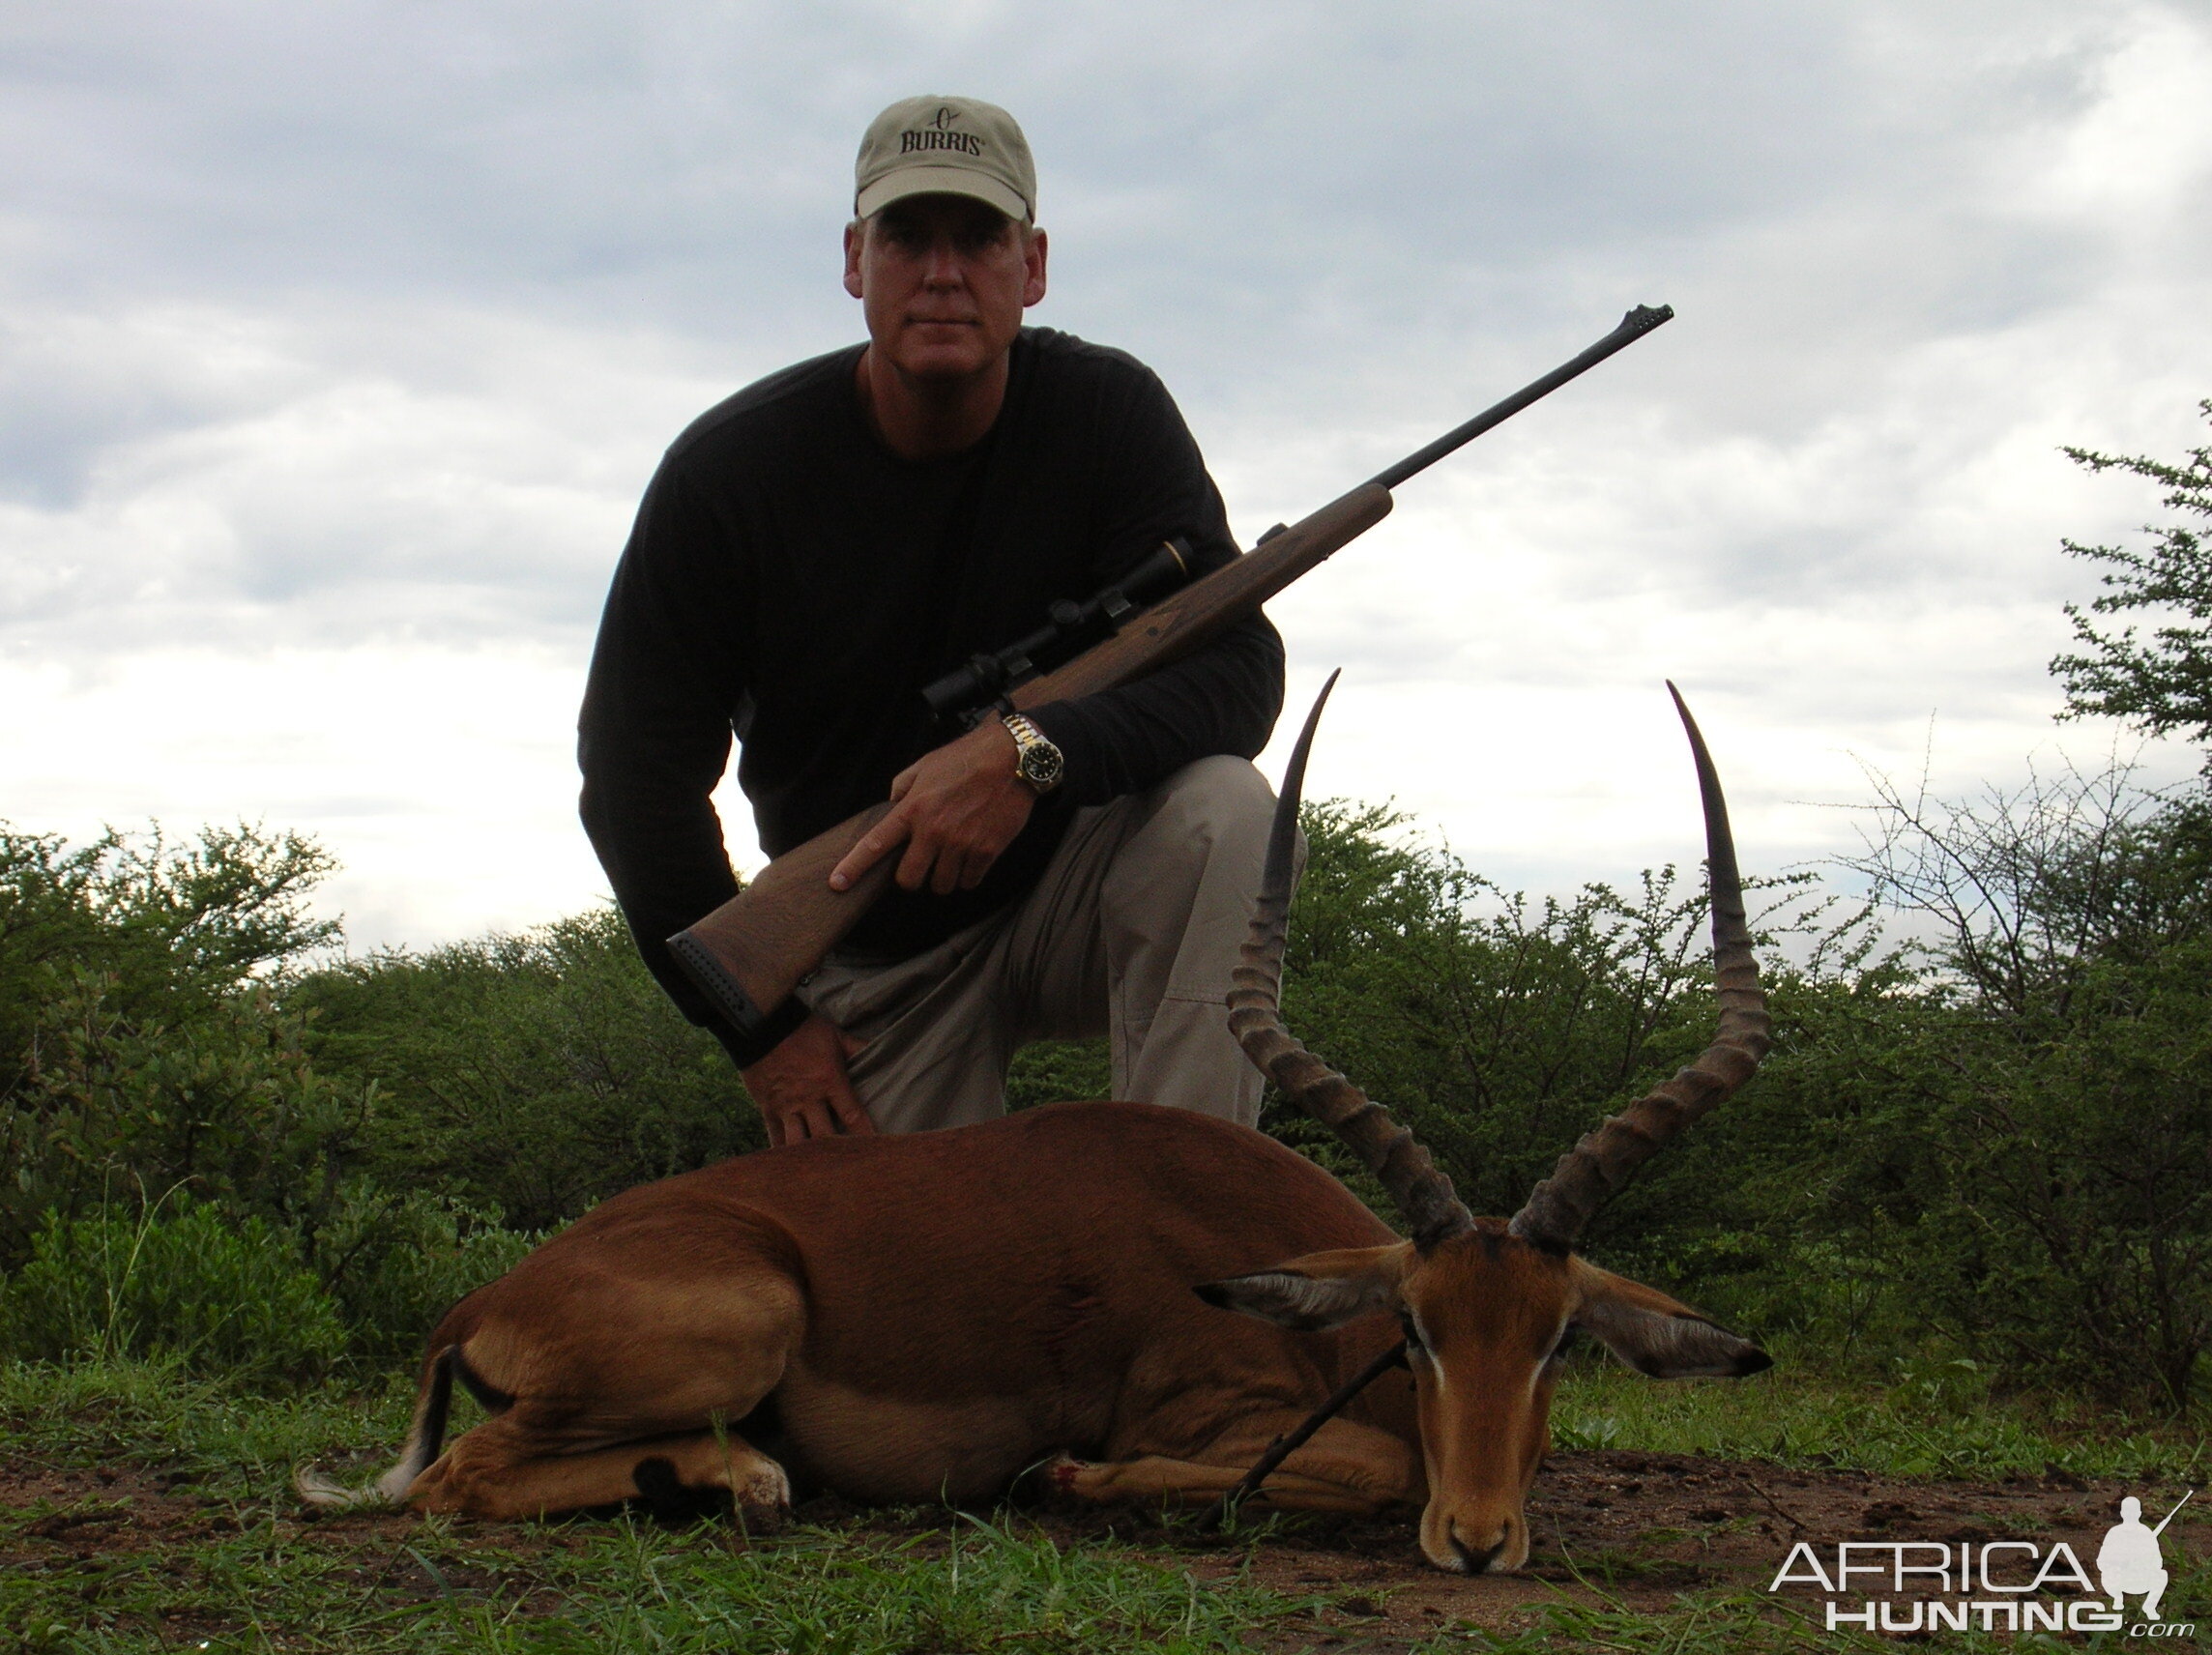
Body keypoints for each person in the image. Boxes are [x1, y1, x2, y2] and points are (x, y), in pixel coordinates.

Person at [578, 95, 1286, 1147]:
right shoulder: (725, 476)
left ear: (1031, 266)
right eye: (908, 237)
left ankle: (1179, 1221)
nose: (943, 274)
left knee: (1226, 810)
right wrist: (761, 1034)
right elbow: (635, 783)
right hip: (874, 964)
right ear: (856, 259)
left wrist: (1027, 752)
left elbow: (1239, 664)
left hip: (1069, 895)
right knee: (908, 1303)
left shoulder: (1109, 412)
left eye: (979, 238)